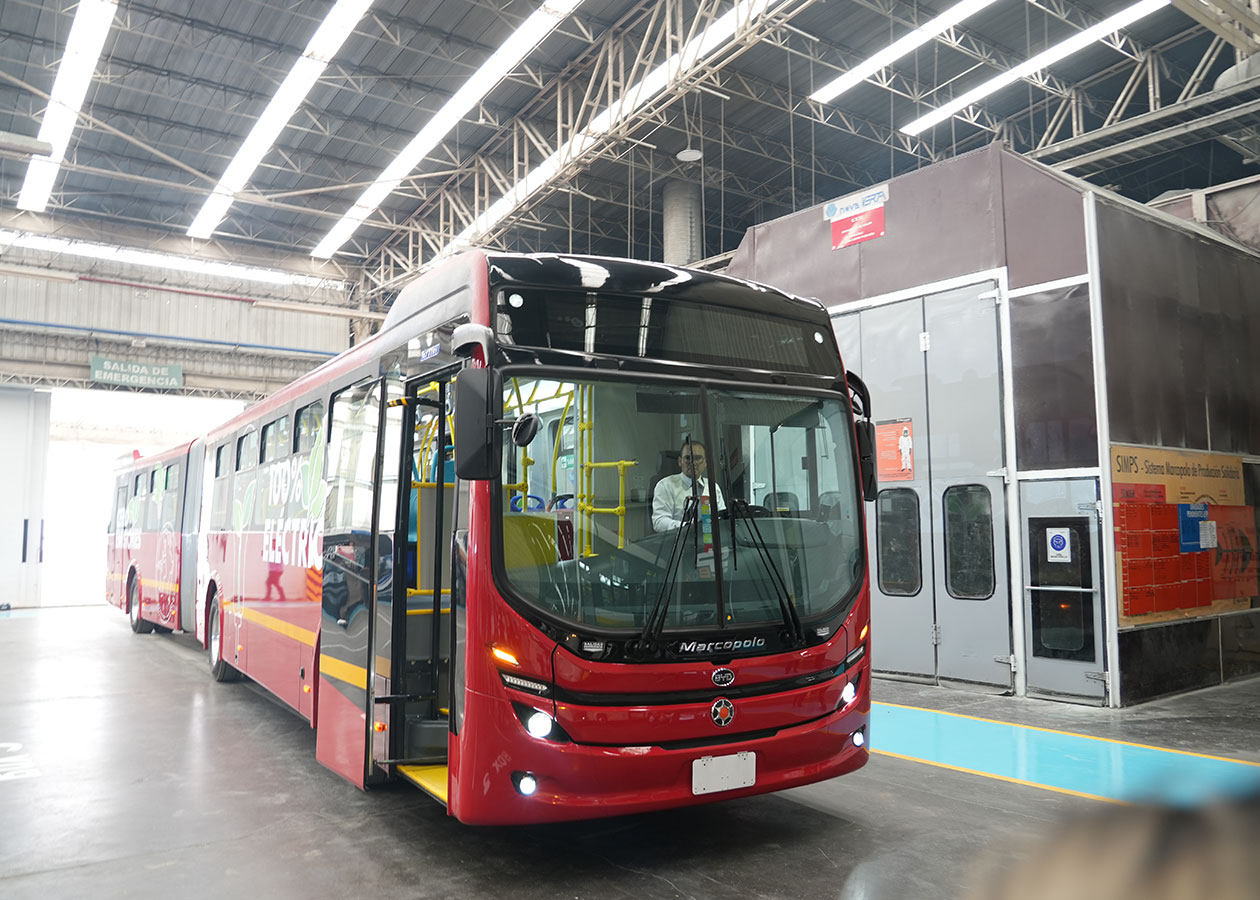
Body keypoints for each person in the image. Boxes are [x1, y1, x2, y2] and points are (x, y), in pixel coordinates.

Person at [652, 438, 725, 533]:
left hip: (708, 542)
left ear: (705, 462)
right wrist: (687, 527)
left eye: (698, 458)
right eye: (688, 458)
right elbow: (659, 522)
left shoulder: (713, 487)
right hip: (678, 542)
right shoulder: (666, 485)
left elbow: (722, 519)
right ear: (679, 461)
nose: (693, 463)